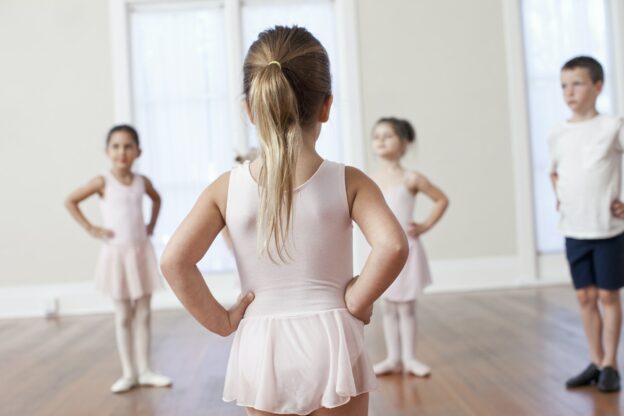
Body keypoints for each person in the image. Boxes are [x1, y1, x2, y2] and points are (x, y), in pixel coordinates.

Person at [160, 26, 409, 415]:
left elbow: (174, 260)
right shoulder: (350, 180)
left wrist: (222, 321)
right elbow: (392, 244)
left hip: (263, 345)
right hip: (333, 339)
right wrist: (359, 297)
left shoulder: (225, 188)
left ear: (250, 109)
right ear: (326, 106)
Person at [65, 125, 172, 393]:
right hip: (116, 255)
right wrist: (93, 229)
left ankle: (146, 370)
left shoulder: (141, 182)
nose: (122, 152)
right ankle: (129, 373)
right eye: (116, 146)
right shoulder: (103, 182)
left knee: (144, 313)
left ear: (138, 151)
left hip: (140, 252)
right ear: (107, 151)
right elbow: (71, 201)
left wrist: (151, 225)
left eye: (128, 146)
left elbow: (157, 199)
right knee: (123, 314)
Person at [549, 56, 624, 393]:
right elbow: (555, 171)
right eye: (564, 85)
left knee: (608, 295)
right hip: (574, 229)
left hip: (607, 228)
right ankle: (595, 360)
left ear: (598, 87)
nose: (569, 91)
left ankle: (610, 363)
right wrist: (560, 195)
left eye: (577, 83)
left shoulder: (612, 127)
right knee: (585, 296)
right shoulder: (558, 133)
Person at [369, 117, 448, 377]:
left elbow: (441, 199)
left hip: (408, 250)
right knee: (387, 306)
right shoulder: (370, 180)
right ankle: (393, 358)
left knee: (406, 306)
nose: (380, 140)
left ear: (404, 144)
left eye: (388, 136)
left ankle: (410, 358)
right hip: (382, 252)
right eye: (376, 136)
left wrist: (424, 226)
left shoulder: (411, 178)